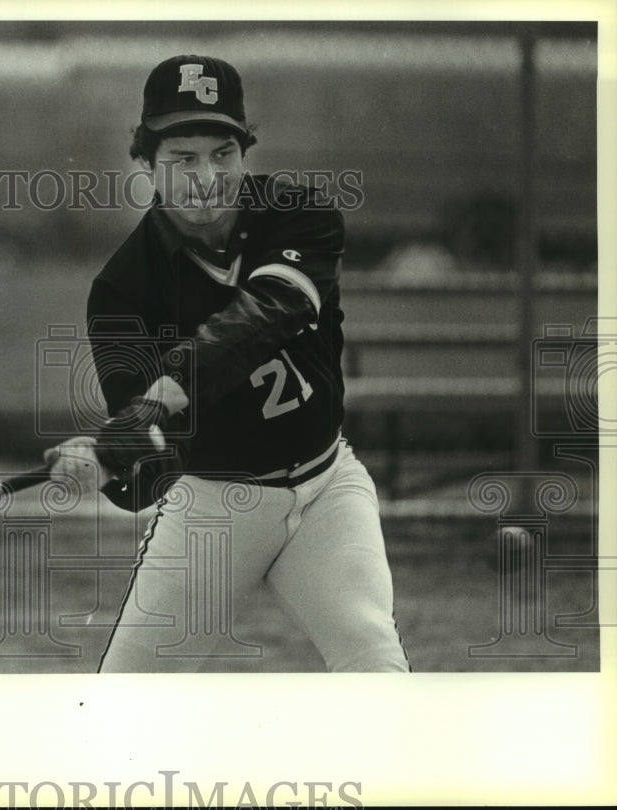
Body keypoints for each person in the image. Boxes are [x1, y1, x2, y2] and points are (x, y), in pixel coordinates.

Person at [44, 54, 410, 673]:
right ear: (146, 164)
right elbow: (150, 477)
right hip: (214, 507)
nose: (206, 175)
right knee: (125, 705)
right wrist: (107, 463)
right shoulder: (123, 292)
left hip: (328, 488)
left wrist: (162, 396)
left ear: (245, 155)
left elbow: (272, 310)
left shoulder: (300, 214)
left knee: (373, 658)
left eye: (223, 154)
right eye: (182, 158)